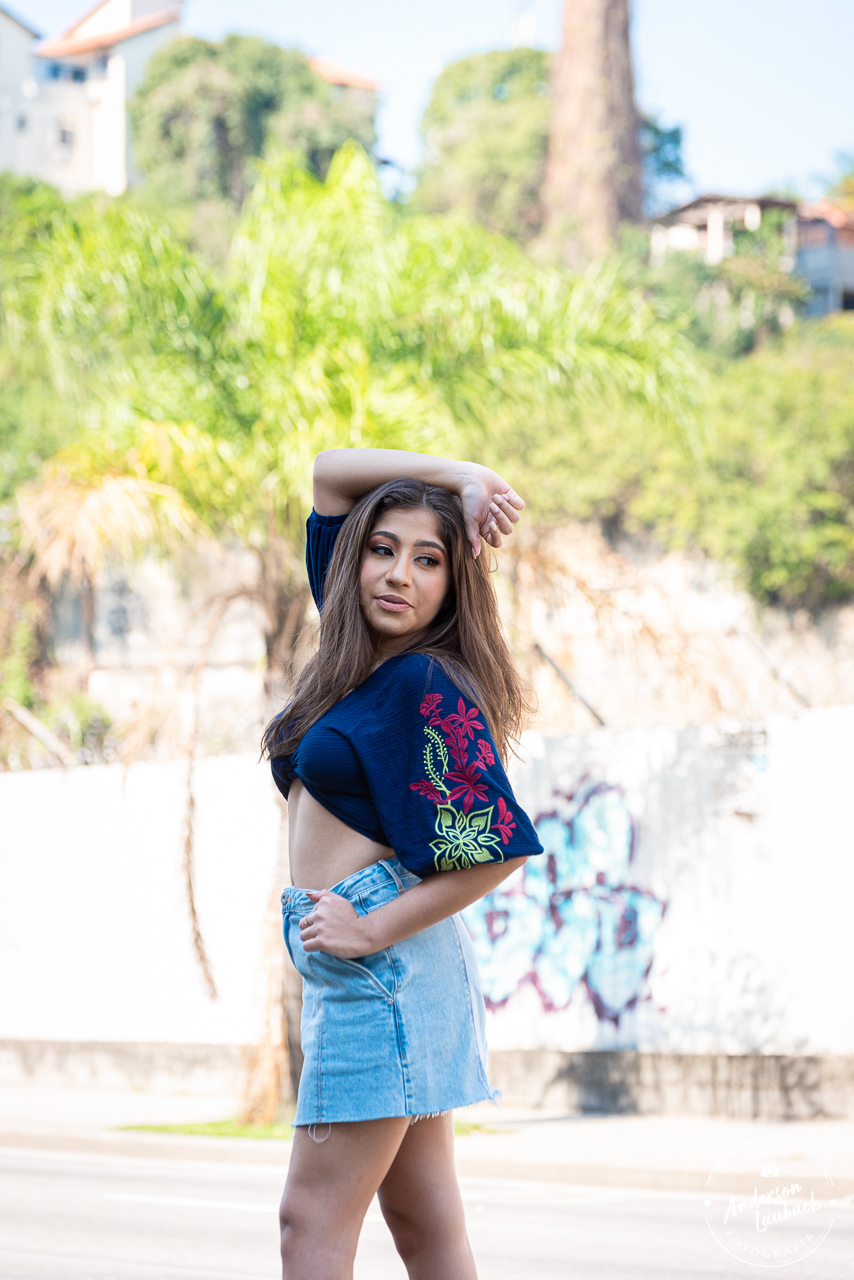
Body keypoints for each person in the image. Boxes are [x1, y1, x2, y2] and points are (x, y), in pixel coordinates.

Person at [263, 448, 544, 1280]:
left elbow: (496, 850)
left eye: (429, 561)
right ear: (354, 561)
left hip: (380, 967)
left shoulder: (425, 682)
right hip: (382, 969)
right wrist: (463, 476)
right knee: (425, 1228)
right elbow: (330, 473)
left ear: (453, 586)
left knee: (309, 1222)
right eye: (383, 549)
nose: (398, 575)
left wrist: (370, 928)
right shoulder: (361, 658)